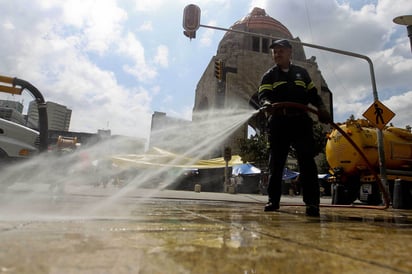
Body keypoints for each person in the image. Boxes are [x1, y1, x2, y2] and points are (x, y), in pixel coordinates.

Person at [258, 39, 331, 216]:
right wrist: (267, 103)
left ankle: (312, 204)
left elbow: (314, 94)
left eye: (281, 50)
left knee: (307, 163)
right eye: (275, 52)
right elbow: (264, 95)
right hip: (278, 122)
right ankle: (273, 201)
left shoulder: (302, 73)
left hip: (300, 122)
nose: (277, 54)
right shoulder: (269, 76)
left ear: (290, 52)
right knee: (276, 163)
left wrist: (321, 108)